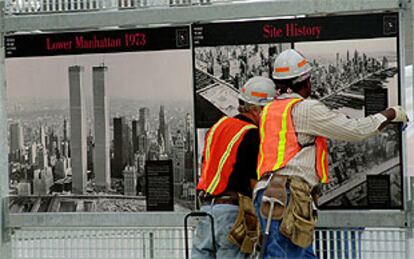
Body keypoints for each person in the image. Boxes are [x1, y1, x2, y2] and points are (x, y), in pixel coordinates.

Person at [253, 49, 409, 258]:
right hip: (288, 196)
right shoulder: (305, 109)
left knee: (295, 253)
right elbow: (355, 130)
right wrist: (390, 114)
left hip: (269, 194)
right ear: (306, 81)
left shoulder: (269, 110)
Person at [192, 76, 277, 259]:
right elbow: (254, 183)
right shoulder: (251, 135)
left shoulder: (218, 126)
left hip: (206, 211)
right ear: (258, 109)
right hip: (232, 213)